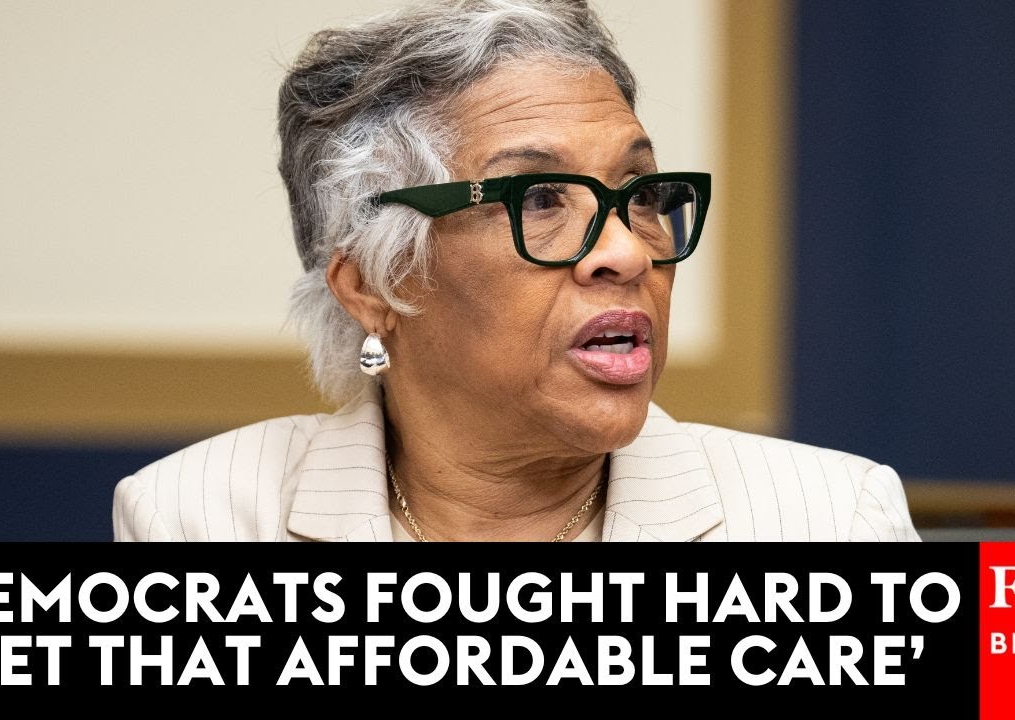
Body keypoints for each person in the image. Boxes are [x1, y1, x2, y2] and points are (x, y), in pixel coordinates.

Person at [112, 0, 921, 543]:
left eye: (640, 193)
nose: (627, 252)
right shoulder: (197, 516)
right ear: (373, 284)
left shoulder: (833, 517)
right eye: (539, 199)